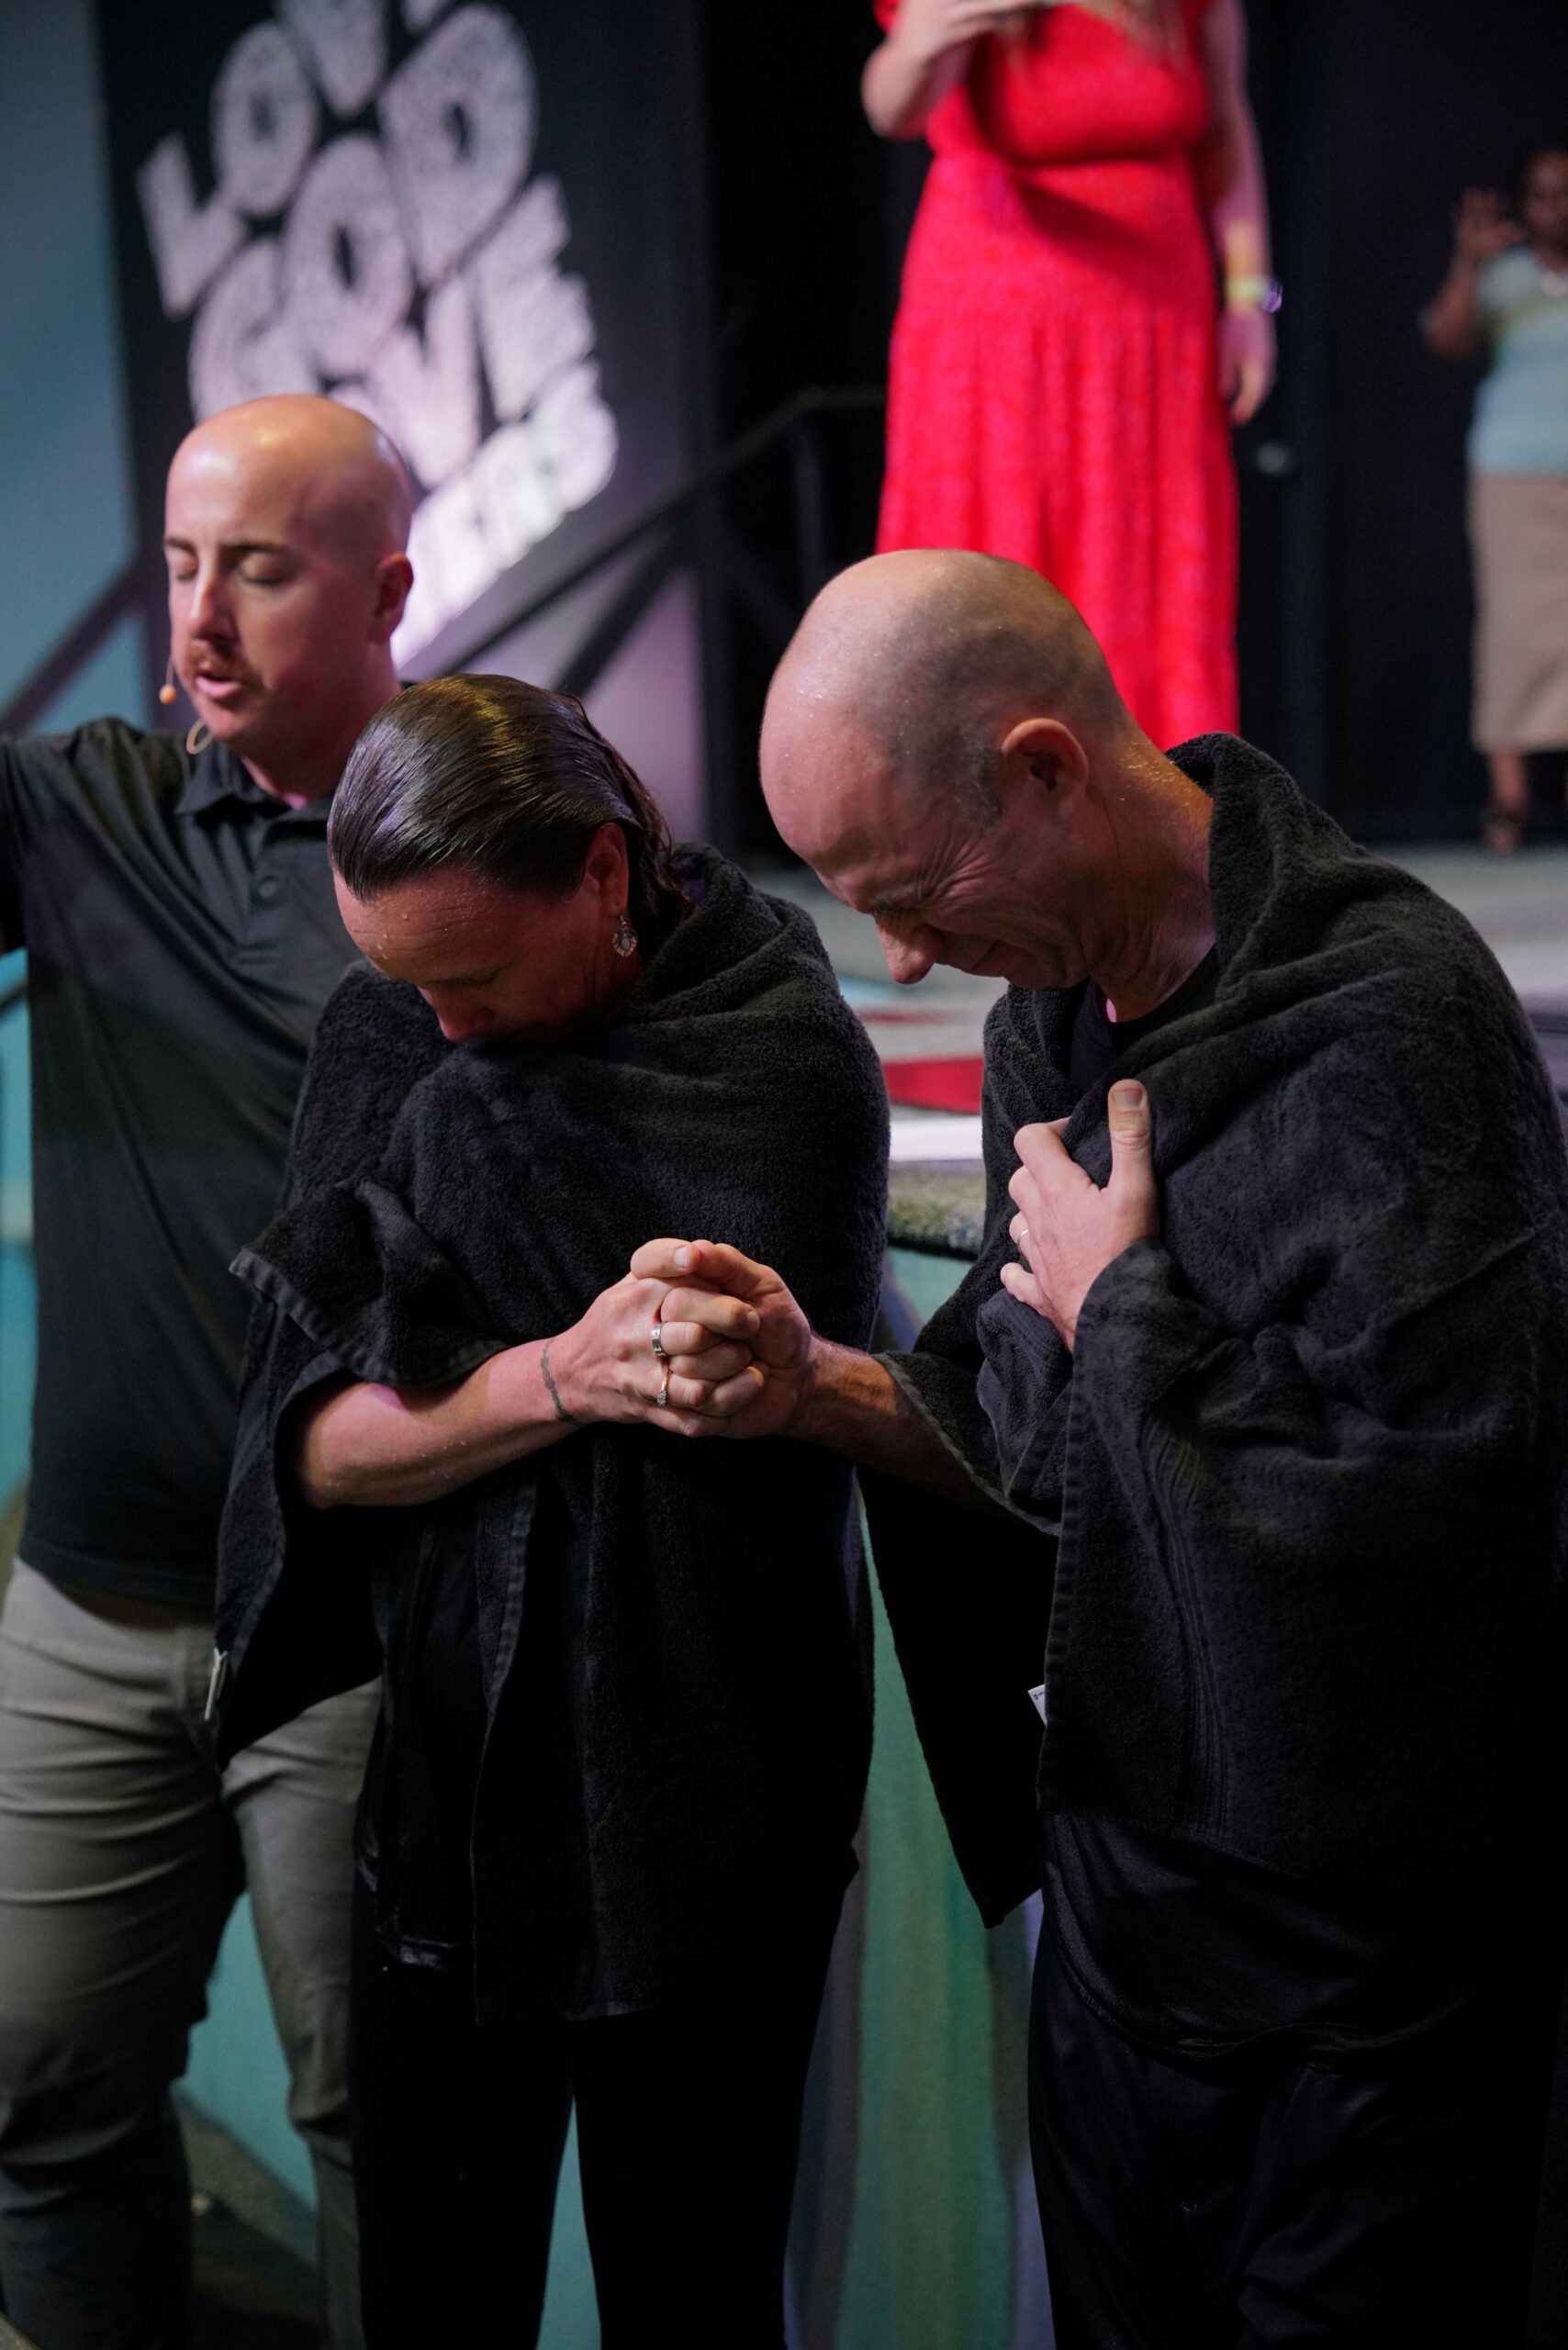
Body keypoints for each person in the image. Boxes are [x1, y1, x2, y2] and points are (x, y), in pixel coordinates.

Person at [632, 548, 1568, 2347]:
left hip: (1362, 1958)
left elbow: (1431, 1511)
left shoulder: (1389, 1020)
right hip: (1132, 1918)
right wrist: (808, 1381)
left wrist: (1116, 1300)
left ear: (1045, 766)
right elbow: (1035, 1438)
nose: (899, 955)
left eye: (911, 891)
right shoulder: (1041, 1020)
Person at [210, 675, 888, 2348]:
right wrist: (560, 1381)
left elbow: (728, 1382)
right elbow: (309, 1451)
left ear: (601, 873)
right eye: (407, 983)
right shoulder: (393, 1035)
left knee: (695, 2289)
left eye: (476, 976)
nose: (440, 1028)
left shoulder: (774, 1049)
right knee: (433, 2294)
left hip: (711, 1799)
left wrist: (467, 1378)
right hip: (450, 1792)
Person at [0, 392, 414, 2350]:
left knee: (389, 2139)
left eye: (255, 566)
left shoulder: (477, 844)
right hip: (85, 1603)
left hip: (353, 1626)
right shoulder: (85, 813)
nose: (202, 618)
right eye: (180, 565)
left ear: (386, 586)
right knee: (39, 2096)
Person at [863, 0, 1275, 749]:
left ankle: (1154, 817)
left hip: (1152, 318)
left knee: (1149, 568)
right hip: (997, 317)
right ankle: (968, 819)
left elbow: (1225, 129)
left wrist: (1248, 297)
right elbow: (895, 107)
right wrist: (922, 40)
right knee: (991, 554)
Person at [1424, 142, 1568, 853]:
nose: (1554, 208)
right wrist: (1471, 262)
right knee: (1515, 629)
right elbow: (1445, 338)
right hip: (1513, 474)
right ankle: (1509, 799)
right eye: (1541, 195)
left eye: (1564, 193)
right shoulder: (1503, 278)